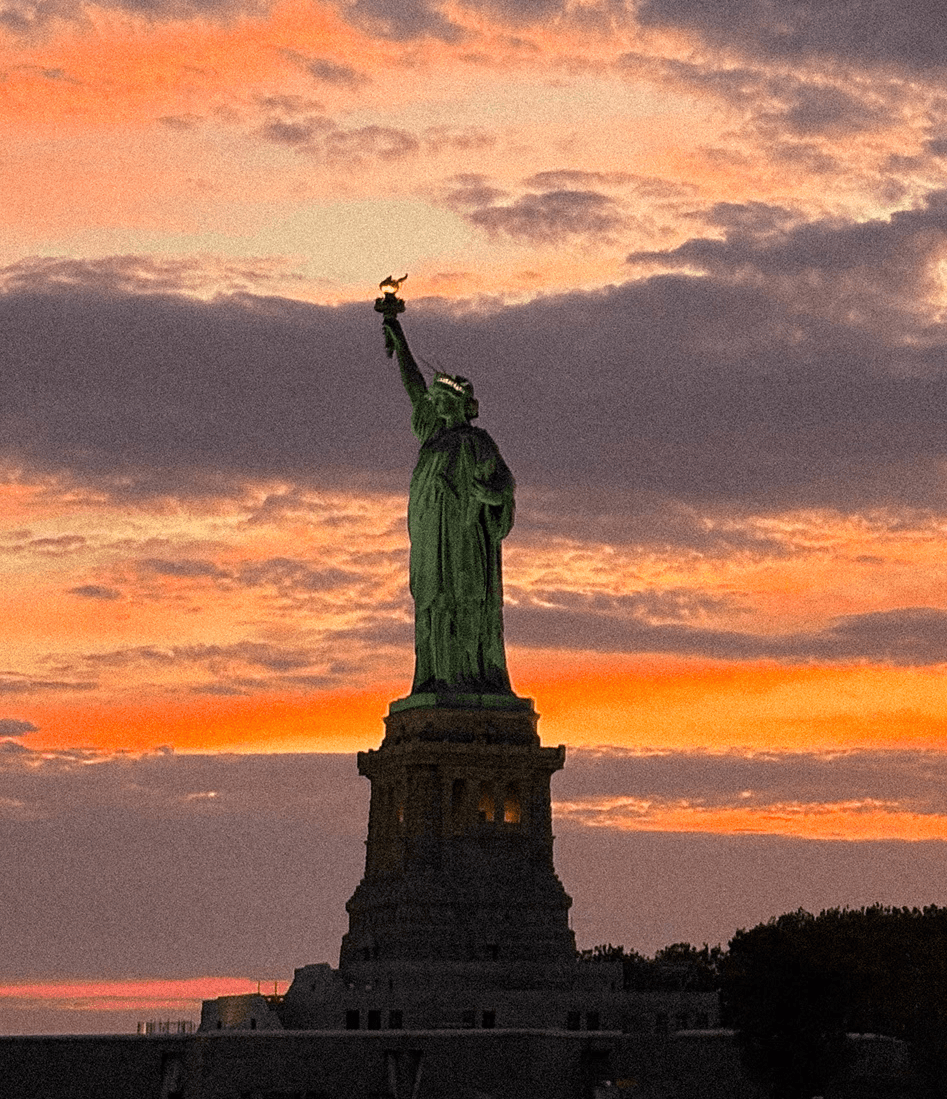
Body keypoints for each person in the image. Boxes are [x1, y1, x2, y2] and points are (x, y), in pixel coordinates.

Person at [383, 316, 515, 696]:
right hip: (429, 535)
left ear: (462, 405)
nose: (437, 405)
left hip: (463, 538)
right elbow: (414, 388)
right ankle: (435, 675)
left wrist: (492, 496)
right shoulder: (432, 438)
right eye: (436, 400)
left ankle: (468, 675)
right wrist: (398, 333)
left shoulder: (476, 443)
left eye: (445, 400)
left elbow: (504, 484)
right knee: (432, 602)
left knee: (463, 601)